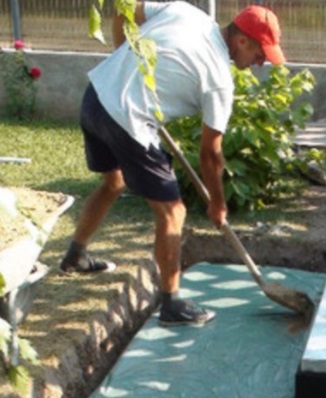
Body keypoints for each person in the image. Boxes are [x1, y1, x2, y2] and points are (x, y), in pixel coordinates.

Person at [60, 1, 286, 325]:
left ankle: (75, 256)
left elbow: (127, 9)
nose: (260, 63)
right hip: (128, 120)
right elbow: (211, 155)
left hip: (96, 97)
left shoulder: (187, 12)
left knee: (115, 182)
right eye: (260, 54)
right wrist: (218, 204)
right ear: (242, 40)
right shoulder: (219, 80)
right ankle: (172, 303)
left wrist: (123, 56)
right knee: (173, 212)